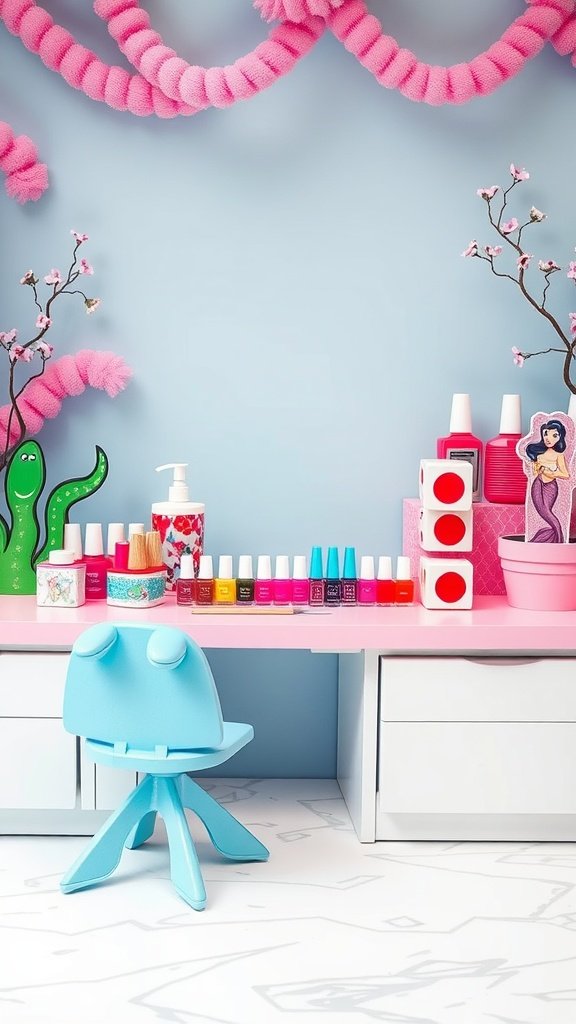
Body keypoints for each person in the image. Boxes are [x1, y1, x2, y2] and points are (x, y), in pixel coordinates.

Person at [525, 419, 570, 543]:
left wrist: (551, 472)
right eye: (546, 434)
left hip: (550, 486)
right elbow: (534, 472)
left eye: (554, 435)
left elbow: (565, 474)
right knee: (541, 510)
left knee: (547, 512)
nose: (548, 438)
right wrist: (536, 467)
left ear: (560, 437)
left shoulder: (558, 456)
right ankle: (552, 537)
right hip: (537, 484)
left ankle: (556, 536)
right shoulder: (539, 455)